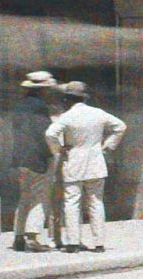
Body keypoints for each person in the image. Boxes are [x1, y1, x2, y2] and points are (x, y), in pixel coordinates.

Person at [46, 80, 128, 253]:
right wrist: (108, 145)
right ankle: (99, 243)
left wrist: (58, 149)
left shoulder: (67, 117)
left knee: (71, 201)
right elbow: (120, 126)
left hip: (73, 161)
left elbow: (50, 133)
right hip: (95, 162)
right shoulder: (98, 113)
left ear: (68, 99)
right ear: (84, 98)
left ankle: (73, 243)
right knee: (96, 202)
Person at [10, 71, 68, 252]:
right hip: (37, 159)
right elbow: (43, 135)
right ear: (43, 90)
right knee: (39, 198)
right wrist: (52, 154)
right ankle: (33, 237)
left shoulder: (20, 106)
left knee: (24, 198)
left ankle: (18, 237)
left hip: (21, 158)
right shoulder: (40, 108)